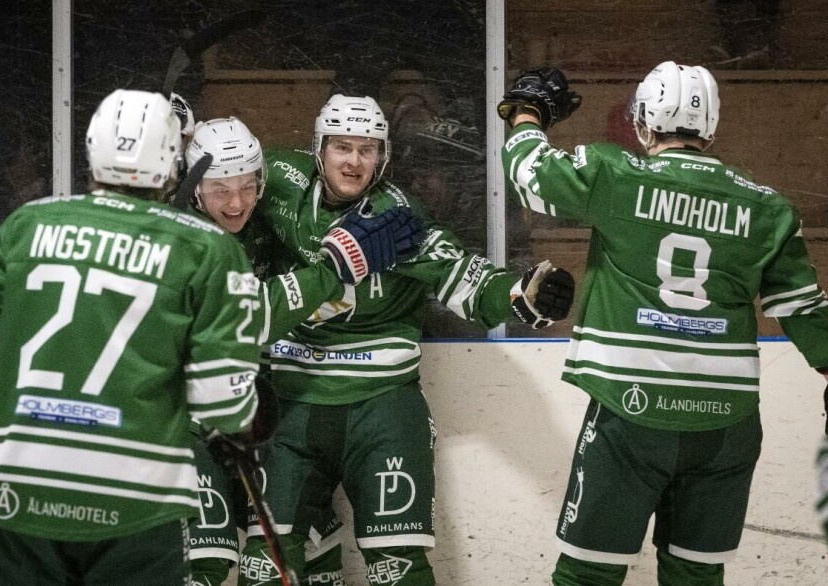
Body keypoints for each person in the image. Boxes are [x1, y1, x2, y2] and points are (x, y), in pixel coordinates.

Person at [0, 89, 408, 585]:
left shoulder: (22, 227)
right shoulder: (203, 249)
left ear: (91, 152)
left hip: (20, 487)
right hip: (137, 497)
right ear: (175, 165)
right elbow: (223, 395)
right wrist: (246, 420)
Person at [497, 62, 828, 585]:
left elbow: (530, 174)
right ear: (712, 129)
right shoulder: (769, 210)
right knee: (695, 579)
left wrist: (525, 114)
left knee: (588, 576)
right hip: (727, 424)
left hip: (630, 414)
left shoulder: (616, 176)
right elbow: (805, 312)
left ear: (642, 125)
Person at [238, 93, 576, 585]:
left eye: (367, 149)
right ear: (318, 149)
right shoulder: (280, 182)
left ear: (383, 156)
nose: (354, 161)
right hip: (291, 404)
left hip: (381, 410)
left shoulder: (397, 219)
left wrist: (524, 293)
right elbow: (223, 184)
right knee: (264, 565)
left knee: (397, 568)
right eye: (341, 147)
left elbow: (469, 280)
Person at [178, 115, 423, 585]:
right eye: (219, 190)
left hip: (252, 424)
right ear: (193, 191)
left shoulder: (264, 218)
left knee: (309, 547)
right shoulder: (185, 245)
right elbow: (246, 321)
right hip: (188, 426)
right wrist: (338, 263)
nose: (236, 203)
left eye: (247, 187)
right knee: (205, 564)